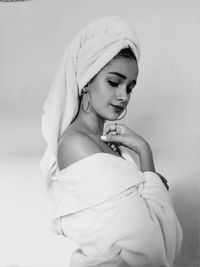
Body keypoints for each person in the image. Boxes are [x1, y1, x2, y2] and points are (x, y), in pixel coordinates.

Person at [40, 16, 182, 267]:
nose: (123, 96)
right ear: (87, 81)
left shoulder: (108, 144)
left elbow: (161, 238)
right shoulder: (75, 145)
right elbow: (152, 246)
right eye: (114, 82)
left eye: (130, 87)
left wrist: (140, 150)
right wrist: (146, 160)